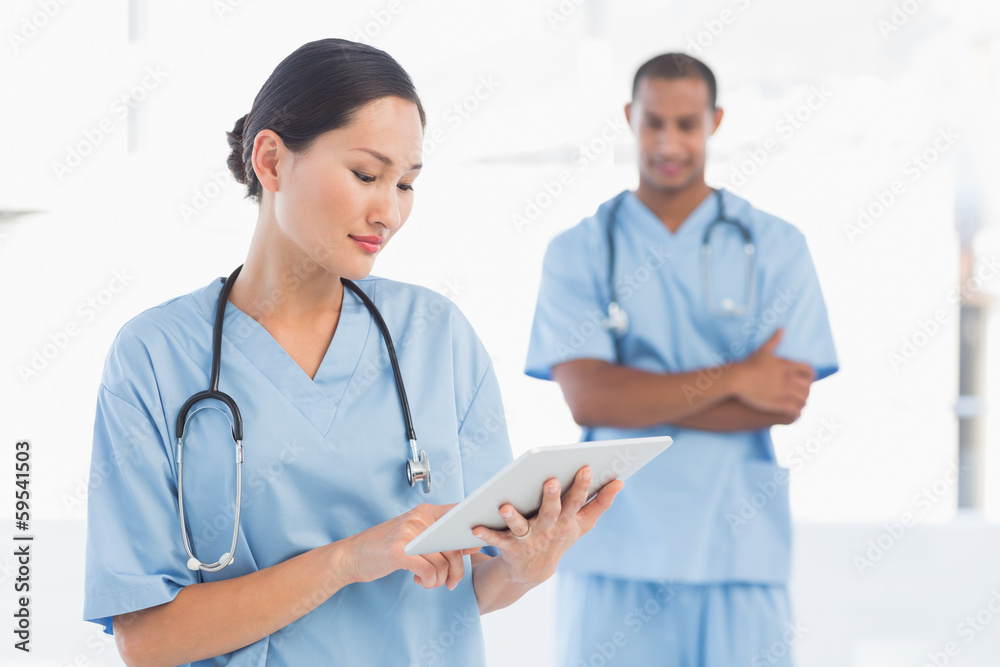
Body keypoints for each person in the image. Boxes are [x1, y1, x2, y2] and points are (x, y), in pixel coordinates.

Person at [83, 38, 623, 666]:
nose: (388, 211)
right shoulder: (154, 356)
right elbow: (147, 640)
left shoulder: (437, 335)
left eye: (407, 184)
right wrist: (346, 560)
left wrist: (529, 566)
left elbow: (472, 582)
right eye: (367, 175)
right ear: (272, 161)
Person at [525, 53, 838, 666]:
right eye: (653, 123)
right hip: (614, 544)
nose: (669, 142)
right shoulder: (579, 249)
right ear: (629, 118)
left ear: (715, 122)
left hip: (736, 550)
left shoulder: (776, 245)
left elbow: (782, 402)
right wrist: (738, 377)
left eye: (687, 124)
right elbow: (590, 399)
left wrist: (636, 398)